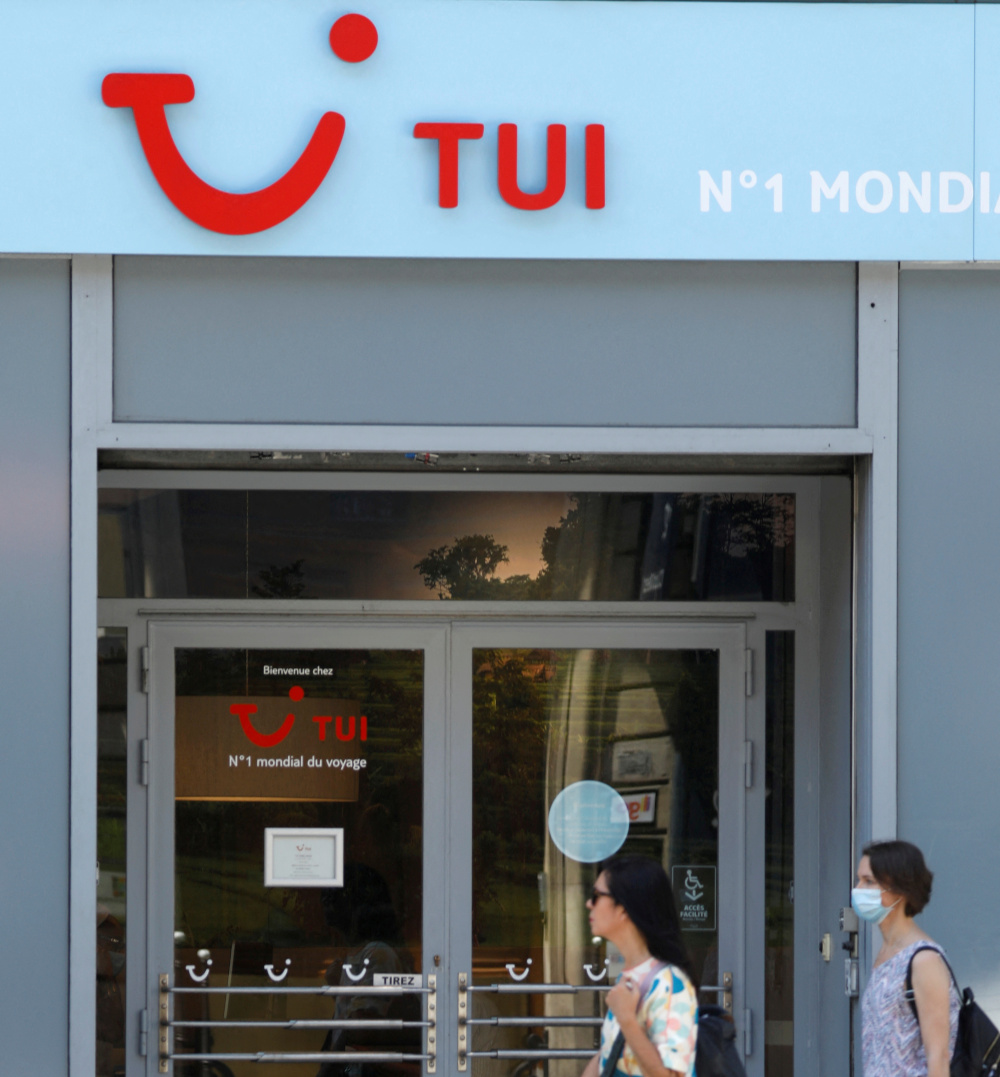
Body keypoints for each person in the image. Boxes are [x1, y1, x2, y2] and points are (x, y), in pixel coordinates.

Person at [580, 855, 699, 1077]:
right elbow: (609, 1054)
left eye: (596, 896)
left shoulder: (671, 984)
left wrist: (627, 1019)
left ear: (624, 908)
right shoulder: (630, 976)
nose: (589, 903)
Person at [856, 839, 959, 1077]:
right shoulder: (887, 954)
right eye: (859, 879)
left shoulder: (923, 961)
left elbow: (939, 1056)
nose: (858, 889)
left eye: (869, 881)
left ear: (900, 889)